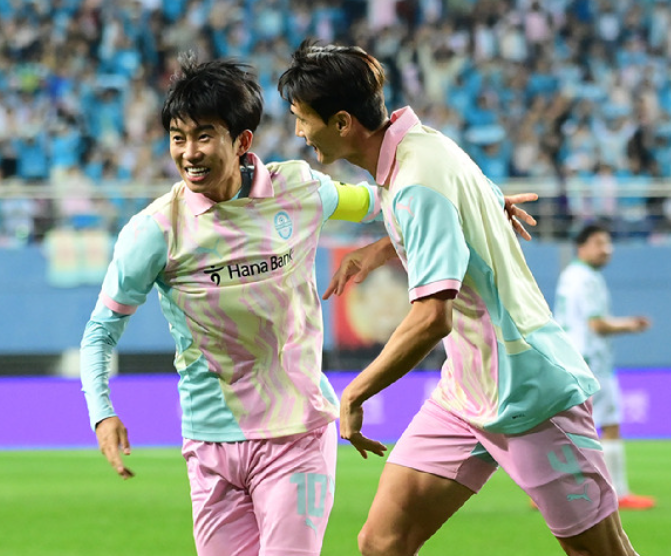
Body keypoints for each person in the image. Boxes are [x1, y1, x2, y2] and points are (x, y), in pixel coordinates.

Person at [278, 40, 640, 556]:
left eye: (302, 118)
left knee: (602, 553)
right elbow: (459, 207)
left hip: (529, 390)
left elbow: (432, 319)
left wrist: (355, 393)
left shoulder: (415, 182)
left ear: (341, 123)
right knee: (382, 543)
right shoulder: (422, 145)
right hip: (467, 391)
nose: (298, 132)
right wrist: (383, 248)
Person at [80, 52, 385, 556]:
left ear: (242, 141)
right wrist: (102, 413)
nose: (189, 153)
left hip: (296, 433)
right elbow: (100, 332)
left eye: (204, 136)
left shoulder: (298, 189)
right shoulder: (154, 231)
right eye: (178, 138)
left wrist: (471, 201)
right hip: (209, 448)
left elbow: (383, 201)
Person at [554, 223, 654, 510]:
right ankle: (619, 492)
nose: (606, 249)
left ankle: (554, 491)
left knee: (566, 427)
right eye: (599, 243)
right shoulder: (587, 279)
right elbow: (597, 324)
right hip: (591, 363)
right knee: (610, 425)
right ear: (581, 246)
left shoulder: (569, 276)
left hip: (568, 359)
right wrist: (631, 325)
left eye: (608, 243)